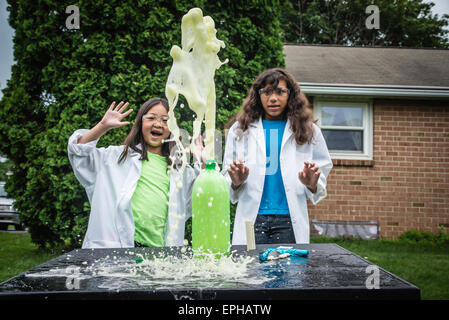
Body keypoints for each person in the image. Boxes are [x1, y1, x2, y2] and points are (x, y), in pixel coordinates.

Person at [68, 98, 202, 249]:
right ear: (140, 124)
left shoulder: (181, 171)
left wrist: (203, 161)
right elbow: (78, 153)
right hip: (114, 248)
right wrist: (102, 127)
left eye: (165, 120)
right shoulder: (114, 158)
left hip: (158, 253)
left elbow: (202, 199)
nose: (158, 124)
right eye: (151, 118)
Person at [222, 68, 333, 245]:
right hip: (252, 220)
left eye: (280, 92)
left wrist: (313, 184)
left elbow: (322, 170)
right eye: (266, 92)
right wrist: (236, 181)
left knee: (289, 270)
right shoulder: (239, 130)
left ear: (291, 95)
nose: (273, 98)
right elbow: (227, 178)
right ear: (258, 96)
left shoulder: (309, 131)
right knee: (250, 269)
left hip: (289, 220)